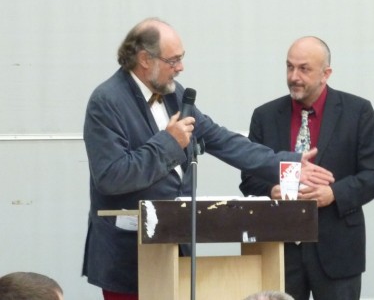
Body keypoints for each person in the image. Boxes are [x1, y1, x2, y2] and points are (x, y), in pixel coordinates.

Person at [82, 18, 331, 300]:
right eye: (173, 60)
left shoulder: (174, 94)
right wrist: (169, 142)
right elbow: (111, 177)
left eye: (181, 58)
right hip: (128, 257)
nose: (180, 67)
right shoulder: (106, 101)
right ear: (144, 59)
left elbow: (222, 140)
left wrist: (286, 164)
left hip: (175, 249)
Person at [240, 36, 374, 300]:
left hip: (337, 250)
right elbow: (249, 178)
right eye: (289, 67)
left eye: (304, 68)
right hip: (280, 252)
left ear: (326, 74)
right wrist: (270, 190)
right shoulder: (264, 116)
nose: (294, 76)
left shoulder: (357, 112)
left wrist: (334, 194)